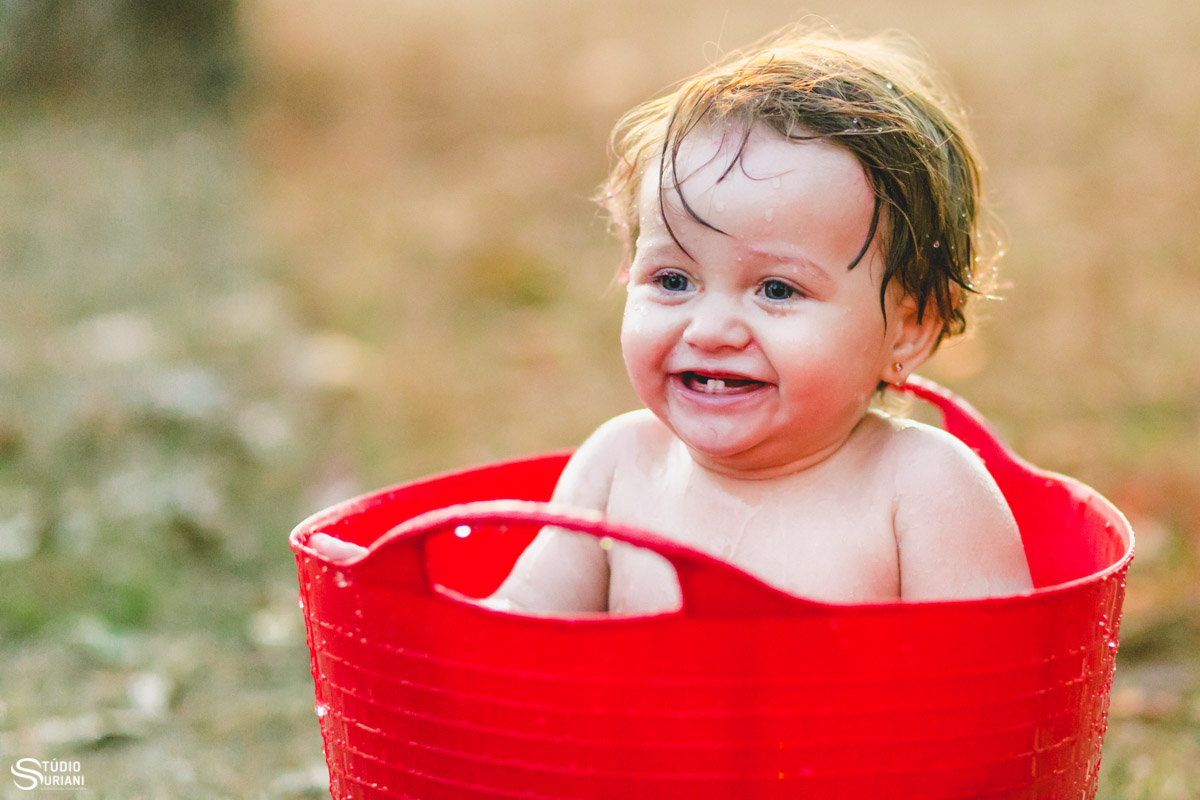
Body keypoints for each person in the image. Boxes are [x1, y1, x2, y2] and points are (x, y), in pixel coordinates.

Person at [310, 24, 1033, 613]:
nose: (712, 327)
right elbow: (509, 647)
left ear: (909, 329)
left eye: (777, 290)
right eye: (674, 278)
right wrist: (397, 601)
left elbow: (996, 703)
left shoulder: (923, 489)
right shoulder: (619, 468)